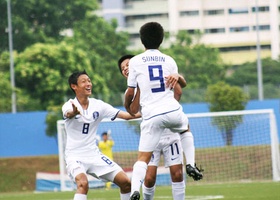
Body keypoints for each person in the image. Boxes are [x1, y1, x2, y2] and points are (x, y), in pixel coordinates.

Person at [124, 22, 203, 200]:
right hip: (172, 109)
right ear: (161, 39)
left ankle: (135, 189)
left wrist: (128, 106)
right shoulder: (169, 60)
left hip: (152, 116)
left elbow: (130, 92)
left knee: (142, 159)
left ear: (142, 41)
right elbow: (180, 88)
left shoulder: (135, 61)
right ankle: (190, 163)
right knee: (185, 127)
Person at [62, 70, 141, 200]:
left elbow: (126, 116)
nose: (88, 84)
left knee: (126, 183)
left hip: (94, 155)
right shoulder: (69, 105)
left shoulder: (99, 105)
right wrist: (74, 112)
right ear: (74, 86)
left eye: (89, 81)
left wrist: (148, 112)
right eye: (84, 81)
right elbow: (68, 113)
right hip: (74, 156)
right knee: (83, 183)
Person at [119, 55, 187, 199]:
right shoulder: (130, 92)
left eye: (128, 65)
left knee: (177, 173)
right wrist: (137, 87)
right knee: (149, 178)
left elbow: (179, 91)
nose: (126, 69)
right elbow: (134, 111)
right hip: (152, 135)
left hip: (170, 133)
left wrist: (169, 111)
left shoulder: (159, 78)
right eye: (123, 69)